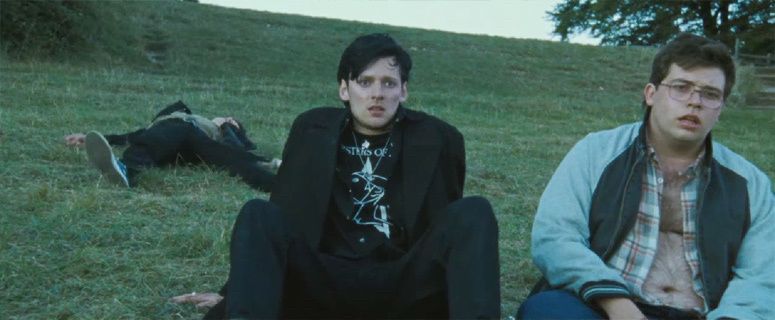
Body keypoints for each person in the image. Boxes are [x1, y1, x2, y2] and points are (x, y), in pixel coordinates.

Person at [175, 33, 501, 319]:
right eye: (365, 82)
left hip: (402, 281)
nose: (377, 94)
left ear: (404, 91)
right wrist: (235, 295)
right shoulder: (312, 130)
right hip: (324, 279)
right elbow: (282, 212)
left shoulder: (438, 138)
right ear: (344, 89)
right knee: (257, 213)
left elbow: (448, 223)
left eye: (388, 83)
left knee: (474, 211)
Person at [518, 33, 775, 319]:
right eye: (682, 87)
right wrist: (616, 302)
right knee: (549, 310)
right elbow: (555, 236)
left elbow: (761, 276)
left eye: (710, 94)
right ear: (651, 94)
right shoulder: (597, 151)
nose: (695, 102)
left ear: (721, 109)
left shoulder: (750, 184)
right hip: (605, 307)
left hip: (700, 315)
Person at [65, 100, 278, 192]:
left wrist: (225, 127)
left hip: (193, 138)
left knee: (231, 159)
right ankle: (125, 169)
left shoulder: (222, 129)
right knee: (148, 137)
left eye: (234, 120)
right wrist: (91, 138)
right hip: (167, 137)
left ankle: (276, 181)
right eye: (228, 118)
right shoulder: (175, 120)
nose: (229, 117)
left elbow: (236, 151)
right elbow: (133, 136)